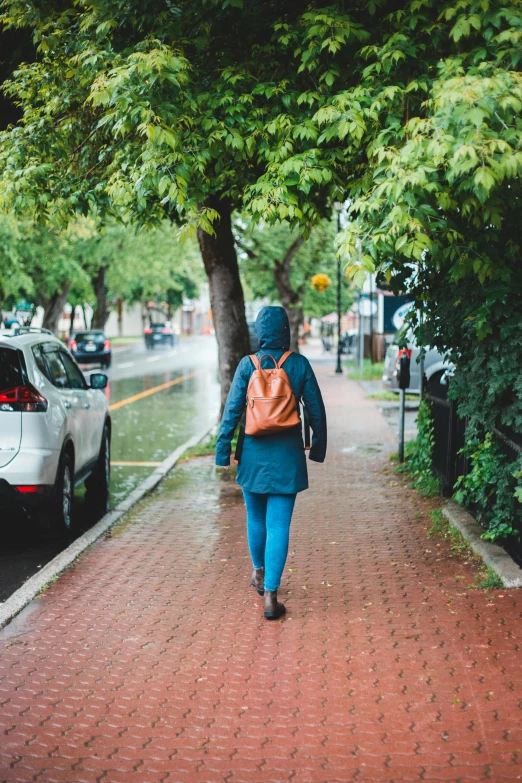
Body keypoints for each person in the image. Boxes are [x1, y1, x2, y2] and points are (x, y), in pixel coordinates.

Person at [215, 306, 327, 620]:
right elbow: (316, 411)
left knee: (255, 519)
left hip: (252, 455)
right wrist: (317, 449)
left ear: (261, 330)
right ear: (286, 331)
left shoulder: (246, 365)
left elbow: (232, 412)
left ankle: (259, 574)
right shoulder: (299, 364)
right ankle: (271, 598)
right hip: (288, 456)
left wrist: (222, 452)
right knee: (279, 526)